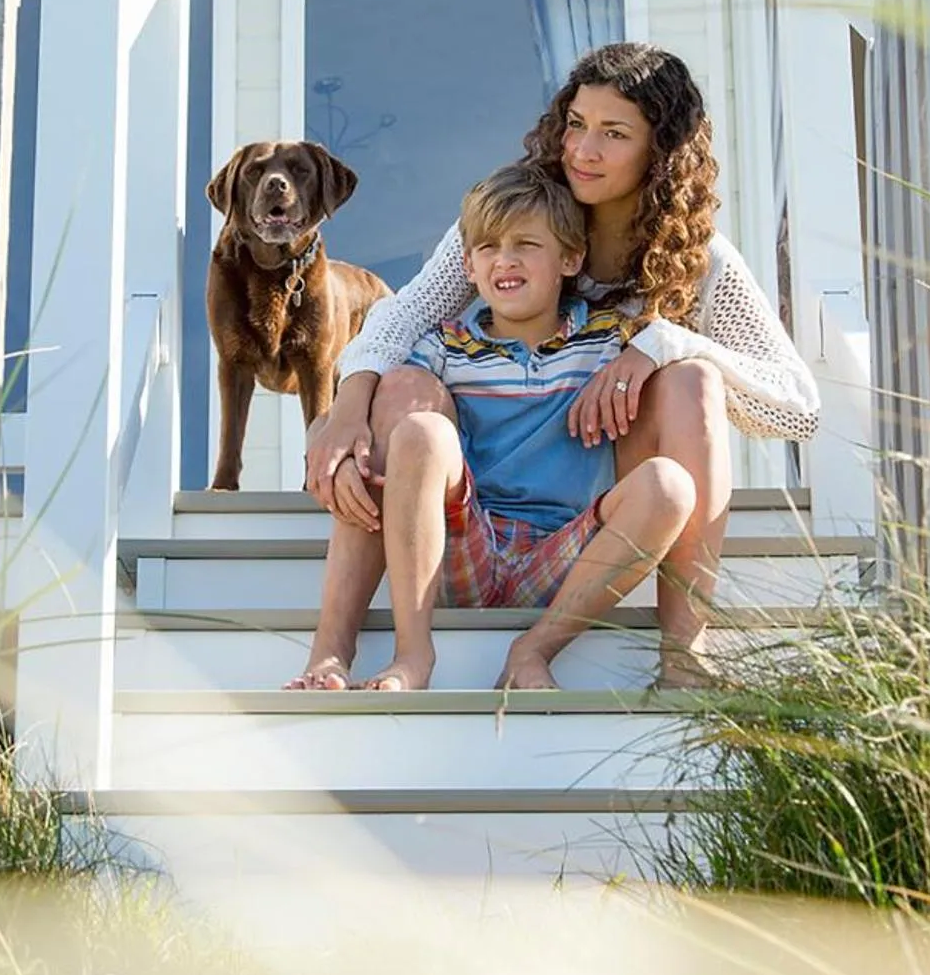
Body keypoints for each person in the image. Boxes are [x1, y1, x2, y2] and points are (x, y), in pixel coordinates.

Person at [287, 41, 819, 691]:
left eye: (613, 134)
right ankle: (342, 647)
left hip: (589, 504)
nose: (582, 150)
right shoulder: (514, 219)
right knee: (401, 385)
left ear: (662, 151)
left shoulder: (698, 258)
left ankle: (683, 650)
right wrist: (345, 413)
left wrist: (662, 344)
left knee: (692, 378)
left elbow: (794, 403)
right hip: (472, 504)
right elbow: (399, 320)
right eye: (575, 124)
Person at [356, 163, 697, 692]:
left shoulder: (610, 340)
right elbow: (389, 407)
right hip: (469, 544)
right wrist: (329, 423)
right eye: (489, 247)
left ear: (571, 258)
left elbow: (693, 349)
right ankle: (412, 656)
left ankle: (532, 650)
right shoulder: (445, 346)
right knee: (421, 431)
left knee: (669, 485)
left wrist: (649, 351)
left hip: (564, 555)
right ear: (467, 264)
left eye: (525, 245)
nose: (505, 259)